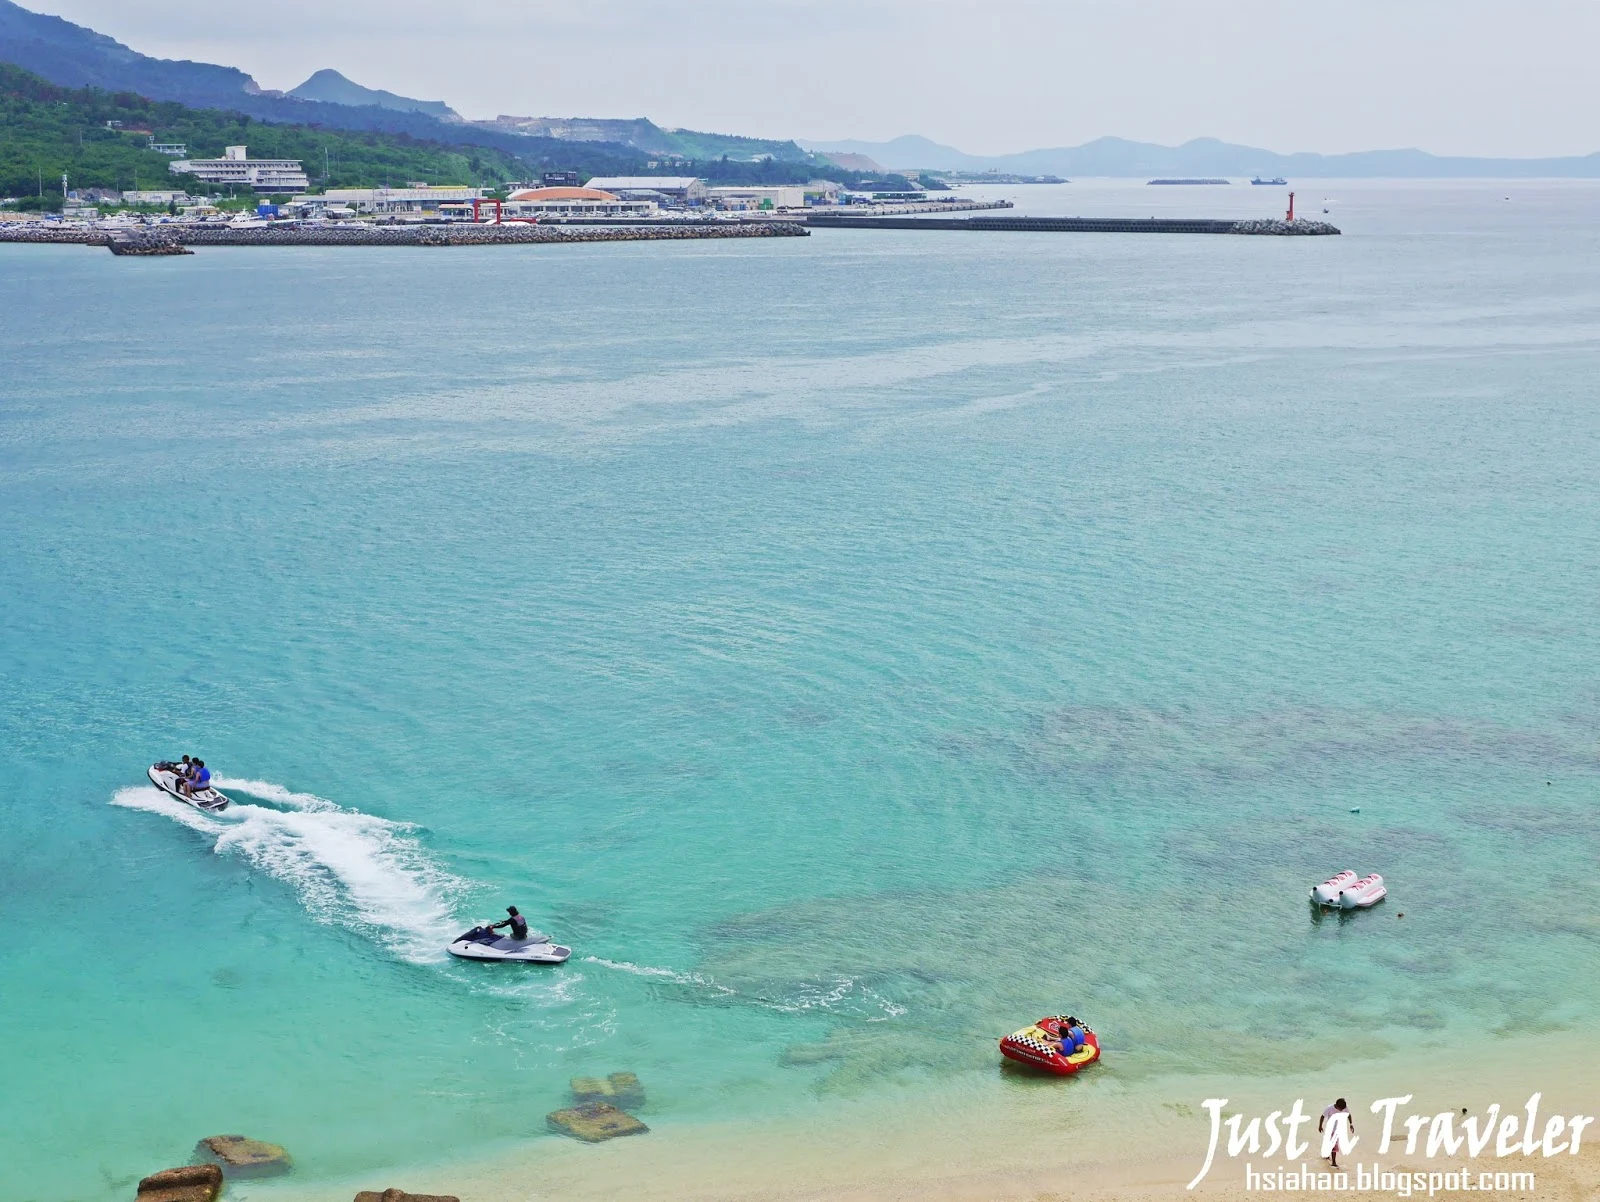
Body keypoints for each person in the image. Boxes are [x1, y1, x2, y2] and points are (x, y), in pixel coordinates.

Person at [1320, 1098, 1354, 1168]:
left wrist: (1351, 1124)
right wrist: (1320, 1126)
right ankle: (1333, 1162)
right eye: (1341, 1109)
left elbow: (1348, 1115)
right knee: (1334, 1146)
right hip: (1331, 1129)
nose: (1342, 1110)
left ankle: (1326, 1155)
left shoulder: (1344, 1107)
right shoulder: (1329, 1108)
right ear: (1337, 1106)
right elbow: (1322, 1116)